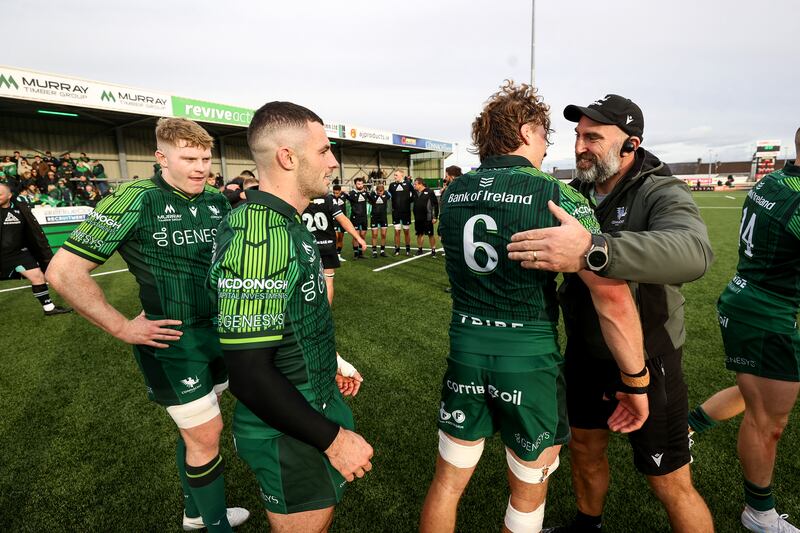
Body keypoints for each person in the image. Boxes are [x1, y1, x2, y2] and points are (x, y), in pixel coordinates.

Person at [420, 81, 648, 533]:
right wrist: (636, 381)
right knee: (527, 491)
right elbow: (611, 295)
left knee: (447, 482)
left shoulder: (455, 192)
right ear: (526, 132)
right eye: (546, 136)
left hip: (465, 349)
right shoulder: (555, 194)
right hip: (528, 359)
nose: (548, 148)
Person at [507, 93, 714, 533]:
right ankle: (587, 524)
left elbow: (695, 252)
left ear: (630, 145)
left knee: (668, 479)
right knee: (583, 448)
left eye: (594, 137)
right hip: (586, 352)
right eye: (579, 135)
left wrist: (593, 249)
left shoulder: (660, 189)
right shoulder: (575, 191)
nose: (580, 145)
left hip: (649, 355)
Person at [46, 118, 249, 532]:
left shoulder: (216, 199)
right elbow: (64, 272)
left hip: (218, 334)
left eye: (205, 158)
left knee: (198, 434)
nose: (200, 167)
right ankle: (214, 525)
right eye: (188, 158)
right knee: (206, 435)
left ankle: (196, 513)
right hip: (171, 338)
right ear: (161, 157)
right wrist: (123, 327)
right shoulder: (135, 198)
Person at [209, 100, 373, 533]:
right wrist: (333, 440)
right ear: (288, 156)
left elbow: (284, 318)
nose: (334, 162)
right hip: (286, 430)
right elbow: (247, 375)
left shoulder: (288, 222)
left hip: (311, 403)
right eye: (323, 151)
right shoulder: (257, 236)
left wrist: (327, 361)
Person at [715, 128, 800, 532]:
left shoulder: (774, 179)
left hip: (749, 300)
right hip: (766, 313)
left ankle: (690, 426)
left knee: (757, 397)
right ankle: (759, 513)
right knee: (769, 420)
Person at [0, 181, 71, 315]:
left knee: (38, 276)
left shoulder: (21, 208)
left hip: (18, 254)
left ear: (10, 195)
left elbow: (32, 230)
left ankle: (49, 308)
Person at [302, 175, 366, 304]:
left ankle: (308, 314)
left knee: (306, 282)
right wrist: (358, 237)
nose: (328, 184)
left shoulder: (301, 200)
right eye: (326, 181)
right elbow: (343, 220)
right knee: (328, 281)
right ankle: (327, 314)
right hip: (327, 246)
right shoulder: (329, 200)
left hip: (307, 247)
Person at [388, 170, 414, 255]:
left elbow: (414, 194)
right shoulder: (392, 185)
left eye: (396, 175)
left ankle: (407, 249)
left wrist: (408, 202)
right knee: (397, 231)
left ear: (401, 175)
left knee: (406, 231)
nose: (395, 176)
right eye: (394, 175)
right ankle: (397, 249)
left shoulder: (408, 184)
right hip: (395, 212)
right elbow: (388, 195)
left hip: (406, 212)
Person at [412, 177, 439, 256]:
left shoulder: (430, 191)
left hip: (428, 217)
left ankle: (433, 250)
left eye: (415, 184)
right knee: (419, 234)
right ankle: (420, 249)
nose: (414, 186)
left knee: (430, 234)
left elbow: (435, 205)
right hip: (418, 217)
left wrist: (435, 217)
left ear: (420, 184)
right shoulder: (414, 192)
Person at [346, 176, 369, 259]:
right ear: (355, 184)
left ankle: (360, 253)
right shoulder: (352, 193)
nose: (360, 185)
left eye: (361, 183)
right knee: (356, 236)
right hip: (355, 217)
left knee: (362, 235)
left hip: (364, 218)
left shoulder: (366, 193)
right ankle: (355, 254)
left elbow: (372, 200)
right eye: (358, 184)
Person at [368, 183, 391, 257]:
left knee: (383, 234)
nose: (380, 193)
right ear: (376, 190)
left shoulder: (386, 195)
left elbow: (389, 194)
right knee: (374, 234)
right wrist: (375, 193)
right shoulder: (373, 195)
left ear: (383, 191)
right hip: (374, 217)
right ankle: (374, 252)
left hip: (383, 217)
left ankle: (382, 251)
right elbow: (369, 198)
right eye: (378, 191)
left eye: (381, 191)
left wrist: (384, 192)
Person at [331, 184, 347, 259]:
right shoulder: (330, 198)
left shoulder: (344, 196)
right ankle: (333, 254)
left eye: (337, 193)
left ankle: (338, 255)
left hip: (342, 220)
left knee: (340, 238)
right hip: (334, 220)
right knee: (335, 237)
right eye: (334, 193)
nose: (335, 194)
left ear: (340, 192)